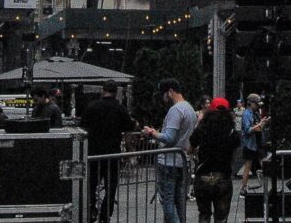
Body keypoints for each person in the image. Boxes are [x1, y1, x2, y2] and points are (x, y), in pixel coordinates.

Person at [143, 78, 197, 223]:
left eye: (164, 94)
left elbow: (169, 137)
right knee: (179, 200)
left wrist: (152, 132)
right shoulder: (190, 109)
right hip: (182, 160)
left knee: (167, 200)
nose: (163, 98)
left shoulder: (176, 110)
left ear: (171, 92)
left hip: (168, 160)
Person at [81, 81, 136, 223]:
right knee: (111, 187)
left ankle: (91, 209)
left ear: (102, 91)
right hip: (113, 153)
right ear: (116, 92)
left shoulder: (92, 107)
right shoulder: (120, 109)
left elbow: (83, 129)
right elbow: (128, 131)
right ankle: (105, 215)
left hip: (93, 153)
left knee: (91, 185)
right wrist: (129, 152)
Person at [189, 97, 240, 223]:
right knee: (221, 217)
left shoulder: (203, 128)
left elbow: (190, 148)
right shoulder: (231, 131)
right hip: (223, 176)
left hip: (203, 175)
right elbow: (235, 150)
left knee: (204, 214)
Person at [240, 94, 268, 193]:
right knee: (248, 165)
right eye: (256, 104)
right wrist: (260, 124)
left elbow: (259, 127)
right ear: (251, 103)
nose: (258, 106)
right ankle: (243, 188)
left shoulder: (255, 113)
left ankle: (266, 186)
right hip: (250, 144)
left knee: (264, 162)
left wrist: (262, 123)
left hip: (258, 142)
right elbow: (248, 130)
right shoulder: (247, 114)